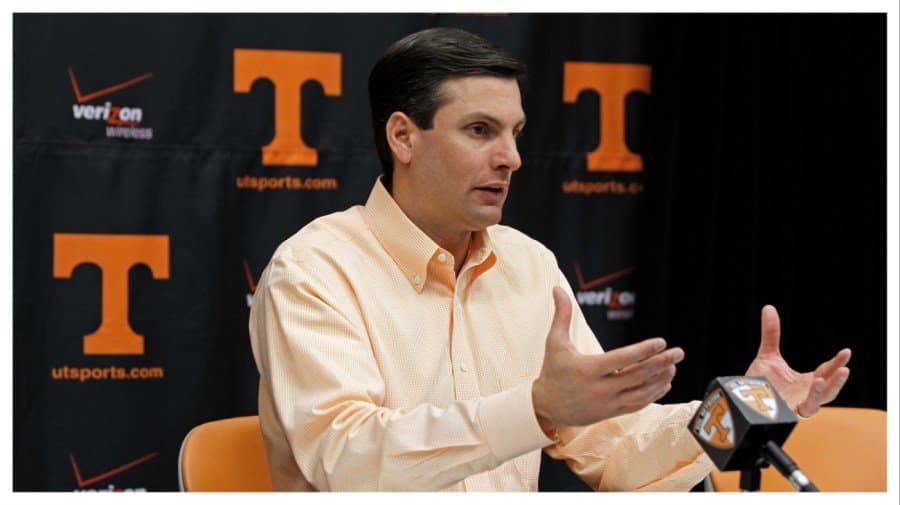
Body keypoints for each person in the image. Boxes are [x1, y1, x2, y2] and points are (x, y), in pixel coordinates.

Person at [248, 27, 851, 491]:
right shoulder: (313, 270)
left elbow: (614, 446)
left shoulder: (528, 265)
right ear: (403, 137)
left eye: (515, 132)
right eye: (480, 130)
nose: (510, 157)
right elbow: (345, 462)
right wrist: (534, 409)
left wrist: (750, 409)